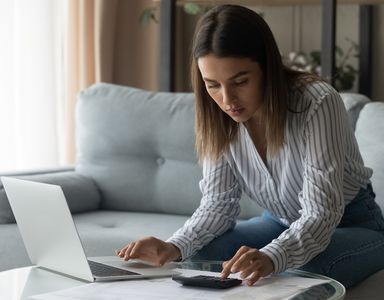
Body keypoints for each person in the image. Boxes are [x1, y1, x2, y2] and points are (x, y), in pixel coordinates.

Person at [117, 4, 384, 288]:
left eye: (240, 81)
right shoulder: (216, 114)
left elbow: (320, 214)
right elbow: (217, 205)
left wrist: (273, 255)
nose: (227, 99)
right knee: (199, 258)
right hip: (279, 221)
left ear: (267, 68)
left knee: (304, 270)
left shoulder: (317, 102)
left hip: (353, 224)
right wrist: (173, 246)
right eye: (213, 85)